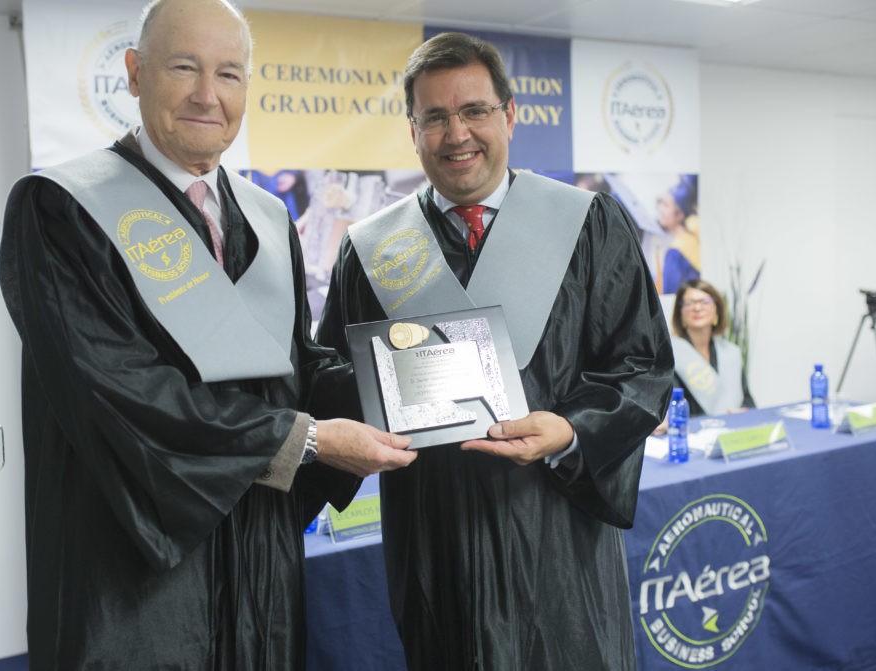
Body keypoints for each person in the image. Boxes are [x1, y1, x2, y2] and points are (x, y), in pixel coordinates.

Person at [0, 0, 416, 667]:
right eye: (184, 67)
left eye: (229, 74)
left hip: (259, 567)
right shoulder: (60, 210)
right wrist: (307, 440)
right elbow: (119, 392)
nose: (207, 95)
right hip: (133, 584)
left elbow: (293, 370)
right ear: (135, 73)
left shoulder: (267, 217)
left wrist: (402, 379)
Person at [316, 31, 674, 671]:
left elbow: (642, 366)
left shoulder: (589, 224)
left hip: (557, 537)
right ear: (413, 130)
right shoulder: (370, 248)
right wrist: (371, 415)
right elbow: (333, 374)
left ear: (509, 115)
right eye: (436, 117)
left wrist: (569, 430)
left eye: (474, 110)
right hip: (434, 539)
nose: (457, 134)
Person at [669, 278, 755, 416]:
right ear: (680, 313)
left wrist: (744, 411)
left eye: (705, 302)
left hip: (733, 430)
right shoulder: (670, 354)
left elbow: (749, 402)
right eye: (689, 303)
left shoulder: (731, 352)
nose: (697, 308)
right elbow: (673, 407)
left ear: (717, 310)